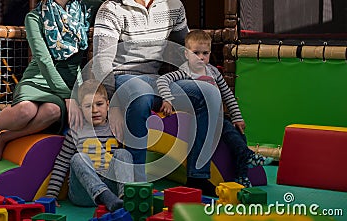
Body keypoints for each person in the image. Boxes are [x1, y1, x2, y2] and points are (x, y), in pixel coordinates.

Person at [91, 0, 223, 196]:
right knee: (141, 93)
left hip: (157, 79)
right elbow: (101, 63)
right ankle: (137, 181)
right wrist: (113, 104)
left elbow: (184, 50)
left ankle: (198, 176)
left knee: (209, 92)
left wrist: (198, 75)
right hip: (122, 77)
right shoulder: (111, 9)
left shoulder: (173, 5)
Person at [0, 0, 90, 163]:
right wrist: (68, 96)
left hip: (66, 81)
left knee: (52, 111)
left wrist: (70, 93)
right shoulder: (34, 17)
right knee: (25, 111)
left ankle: (4, 138)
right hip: (38, 78)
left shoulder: (86, 9)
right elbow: (43, 60)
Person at [156, 30, 273, 187]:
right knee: (226, 127)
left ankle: (241, 174)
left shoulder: (213, 72)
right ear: (186, 54)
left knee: (237, 133)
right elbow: (164, 80)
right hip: (201, 116)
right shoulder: (185, 71)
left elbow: (228, 96)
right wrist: (168, 99)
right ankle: (247, 156)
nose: (201, 57)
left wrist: (237, 117)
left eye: (205, 53)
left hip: (217, 117)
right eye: (195, 53)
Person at [46, 79, 133, 212]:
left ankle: (127, 196)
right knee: (78, 157)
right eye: (88, 106)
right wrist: (51, 194)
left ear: (108, 105)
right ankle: (104, 196)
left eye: (99, 104)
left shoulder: (114, 128)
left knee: (123, 154)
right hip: (83, 193)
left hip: (113, 191)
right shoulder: (76, 131)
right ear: (81, 109)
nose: (94, 110)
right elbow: (62, 162)